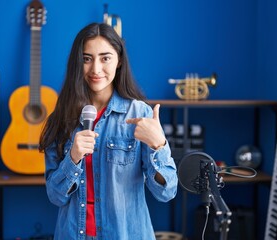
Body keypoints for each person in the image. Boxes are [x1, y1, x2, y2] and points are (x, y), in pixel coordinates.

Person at [39, 22, 178, 240]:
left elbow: (167, 192)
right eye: (87, 59)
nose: (95, 69)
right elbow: (56, 197)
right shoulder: (62, 118)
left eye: (105, 58)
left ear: (119, 60)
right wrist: (73, 158)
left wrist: (158, 145)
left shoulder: (139, 113)